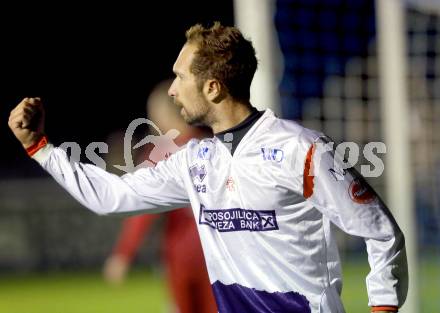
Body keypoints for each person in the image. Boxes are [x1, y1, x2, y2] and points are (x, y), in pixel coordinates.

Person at [8, 22, 407, 313]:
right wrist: (40, 148)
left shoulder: (299, 148)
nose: (172, 88)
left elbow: (379, 230)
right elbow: (112, 196)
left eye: (181, 77)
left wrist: (383, 307)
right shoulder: (196, 161)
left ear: (212, 87)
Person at [102, 80, 217, 313]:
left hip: (182, 253)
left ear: (161, 114)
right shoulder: (213, 145)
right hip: (220, 250)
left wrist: (123, 254)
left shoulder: (161, 151)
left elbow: (140, 210)